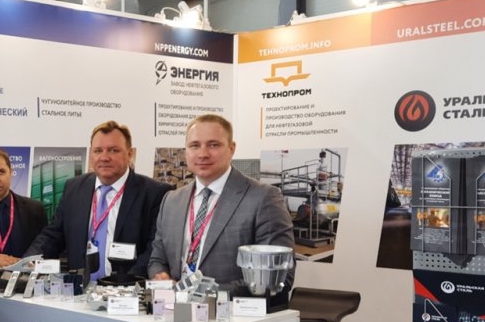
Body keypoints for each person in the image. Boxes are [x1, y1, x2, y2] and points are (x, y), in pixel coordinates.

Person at [148, 113, 295, 288]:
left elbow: (277, 277)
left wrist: (203, 292)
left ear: (231, 149)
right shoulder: (171, 201)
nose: (203, 154)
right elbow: (157, 259)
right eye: (195, 145)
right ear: (186, 151)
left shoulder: (263, 198)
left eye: (213, 145)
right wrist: (161, 276)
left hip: (230, 305)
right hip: (175, 304)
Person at [25, 121, 171, 280]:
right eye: (98, 150)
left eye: (113, 150)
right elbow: (53, 235)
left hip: (128, 288)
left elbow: (154, 249)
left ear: (129, 154)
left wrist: (122, 284)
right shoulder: (74, 188)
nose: (104, 157)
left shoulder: (154, 193)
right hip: (79, 289)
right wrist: (27, 263)